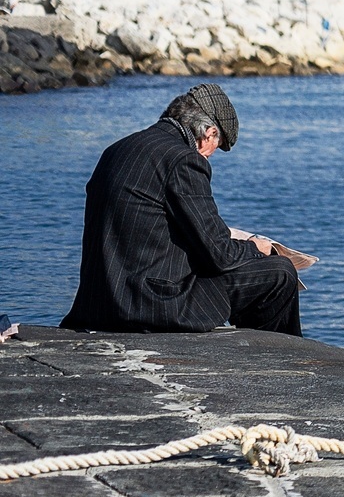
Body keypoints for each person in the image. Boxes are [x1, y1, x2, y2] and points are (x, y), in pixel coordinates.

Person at [62, 84, 302, 336]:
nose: (209, 158)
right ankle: (280, 363)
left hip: (98, 304)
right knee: (280, 272)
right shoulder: (183, 160)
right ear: (209, 134)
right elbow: (220, 255)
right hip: (151, 306)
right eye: (215, 149)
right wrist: (256, 247)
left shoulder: (116, 150)